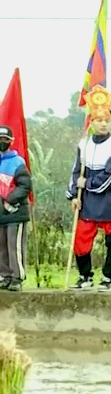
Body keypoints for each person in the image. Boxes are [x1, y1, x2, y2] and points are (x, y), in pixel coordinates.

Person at [66, 86, 111, 291]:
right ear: (91, 122)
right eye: (99, 120)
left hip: (110, 200)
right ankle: (85, 276)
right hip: (87, 202)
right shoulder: (83, 144)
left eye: (106, 121)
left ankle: (108, 278)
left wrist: (89, 184)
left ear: (110, 123)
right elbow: (76, 172)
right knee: (81, 239)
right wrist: (73, 196)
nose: (103, 124)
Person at [0, 125, 32, 291]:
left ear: (10, 142)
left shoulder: (18, 162)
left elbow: (25, 186)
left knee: (15, 246)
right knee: (2, 247)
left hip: (15, 211)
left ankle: (17, 277)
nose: (2, 143)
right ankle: (4, 275)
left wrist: (10, 200)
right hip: (0, 214)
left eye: (5, 140)